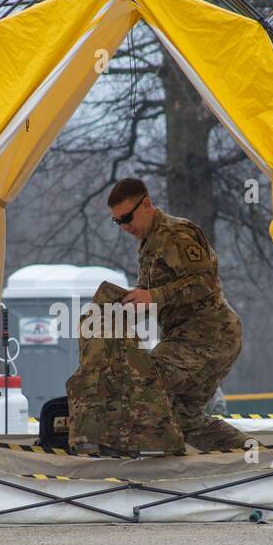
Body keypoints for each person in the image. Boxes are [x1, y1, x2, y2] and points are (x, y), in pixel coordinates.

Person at [105, 177, 247, 451]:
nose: (124, 227)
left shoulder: (177, 234)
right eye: (117, 221)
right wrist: (123, 308)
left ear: (146, 204)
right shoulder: (149, 244)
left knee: (145, 377)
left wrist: (153, 296)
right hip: (188, 339)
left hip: (209, 338)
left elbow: (205, 282)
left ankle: (128, 454)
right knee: (185, 421)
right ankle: (254, 456)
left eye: (126, 218)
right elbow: (152, 295)